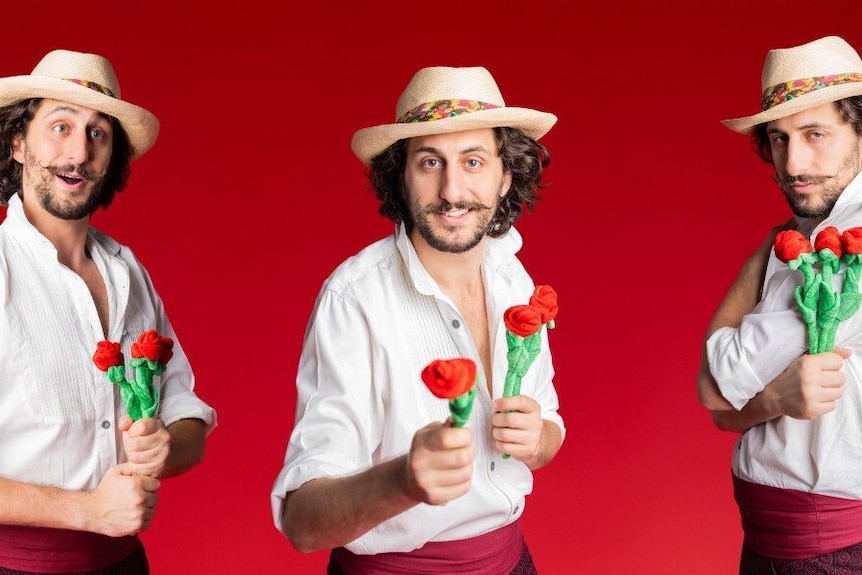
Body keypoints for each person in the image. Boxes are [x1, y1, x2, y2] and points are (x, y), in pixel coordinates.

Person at [271, 66, 565, 574]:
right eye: (430, 162)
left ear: (506, 174)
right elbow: (303, 522)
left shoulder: (513, 276)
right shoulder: (354, 299)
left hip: (514, 562)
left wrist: (539, 440)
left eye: (473, 161)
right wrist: (404, 479)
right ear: (400, 176)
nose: (451, 190)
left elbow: (549, 424)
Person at [0, 50, 216, 574]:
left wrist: (164, 448)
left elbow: (186, 413)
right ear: (19, 144)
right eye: (60, 126)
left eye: (98, 133)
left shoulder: (128, 271)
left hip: (123, 564)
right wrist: (87, 511)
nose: (78, 152)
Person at [697, 35, 862, 573]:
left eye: (816, 134)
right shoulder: (808, 233)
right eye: (779, 138)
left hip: (828, 547)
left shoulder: (844, 246)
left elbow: (715, 385)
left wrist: (761, 256)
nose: (793, 163)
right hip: (779, 539)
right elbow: (725, 411)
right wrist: (773, 399)